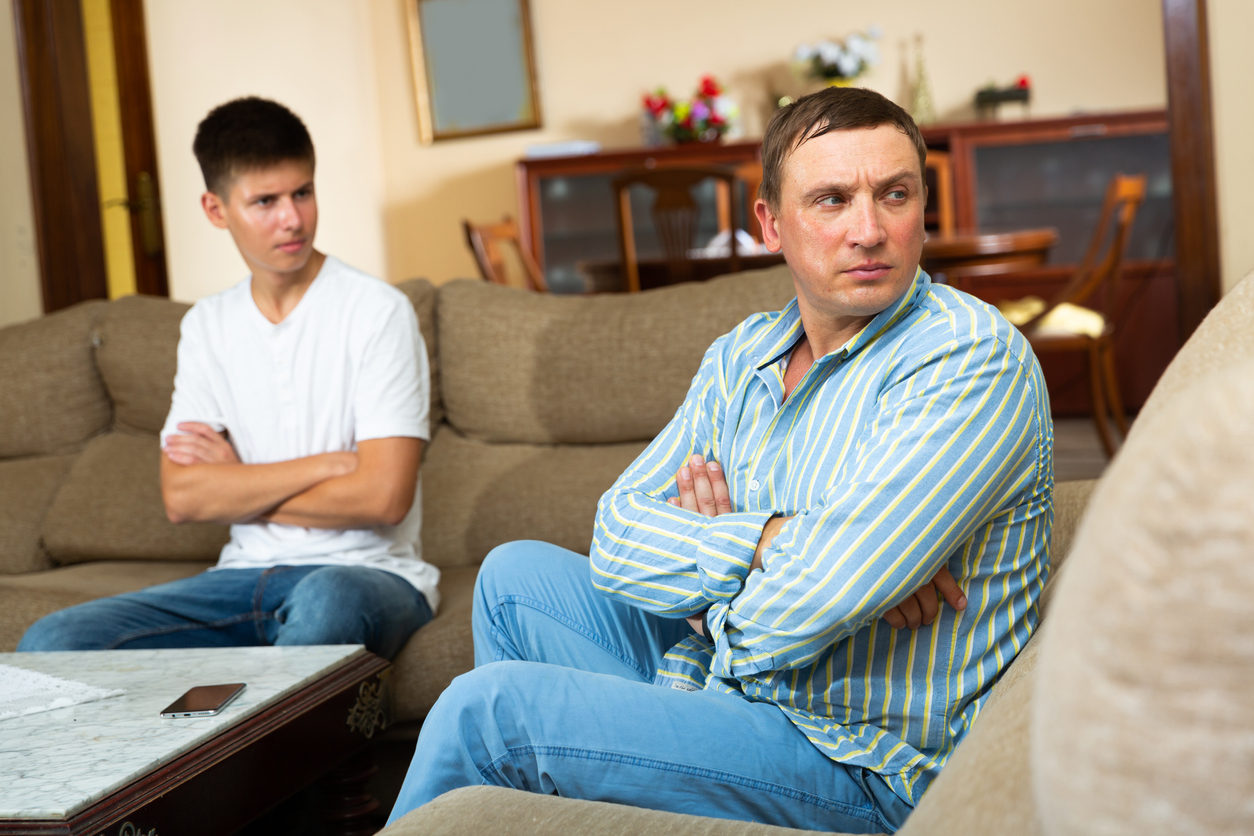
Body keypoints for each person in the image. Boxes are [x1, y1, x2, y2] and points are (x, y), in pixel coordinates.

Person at [387, 87, 1052, 833]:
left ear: (923, 205)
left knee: (491, 714)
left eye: (893, 194)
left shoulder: (968, 358)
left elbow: (822, 596)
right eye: (831, 200)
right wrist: (773, 539)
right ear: (770, 224)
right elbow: (616, 532)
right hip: (733, 694)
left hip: (861, 762)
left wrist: (716, 598)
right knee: (511, 579)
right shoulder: (743, 356)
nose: (869, 230)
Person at [19, 97, 438, 659]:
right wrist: (329, 465)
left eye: (302, 193)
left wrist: (238, 485)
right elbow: (184, 496)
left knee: (325, 603)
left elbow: (384, 496)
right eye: (265, 201)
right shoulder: (207, 326)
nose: (292, 218)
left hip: (367, 575)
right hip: (240, 579)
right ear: (216, 210)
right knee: (53, 639)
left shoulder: (378, 311)